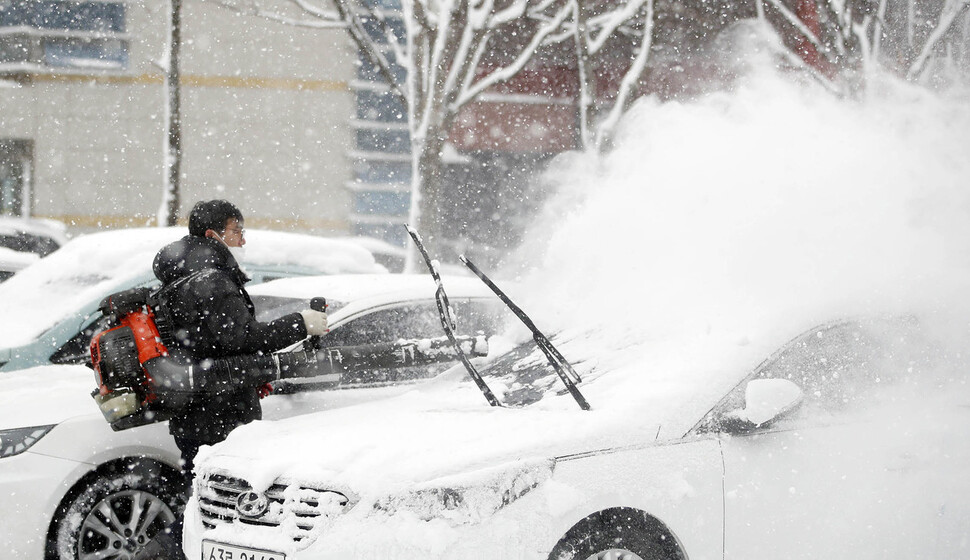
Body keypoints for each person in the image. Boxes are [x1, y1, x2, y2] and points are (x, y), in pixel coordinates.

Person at [134, 200, 328, 560]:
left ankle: (163, 552)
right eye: (236, 230)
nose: (242, 239)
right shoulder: (211, 280)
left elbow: (213, 343)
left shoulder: (179, 280)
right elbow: (242, 338)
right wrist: (301, 323)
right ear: (213, 235)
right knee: (221, 510)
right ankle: (159, 554)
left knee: (204, 504)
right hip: (221, 412)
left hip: (194, 407)